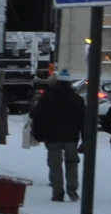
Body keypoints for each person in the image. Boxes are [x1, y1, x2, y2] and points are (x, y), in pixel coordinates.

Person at [30, 69, 85, 202]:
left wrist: (38, 134)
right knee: (72, 162)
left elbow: (37, 116)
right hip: (71, 137)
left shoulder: (47, 98)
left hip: (52, 136)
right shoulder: (77, 100)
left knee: (55, 165)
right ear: (70, 83)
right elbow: (83, 120)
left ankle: (57, 192)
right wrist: (85, 139)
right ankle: (72, 189)